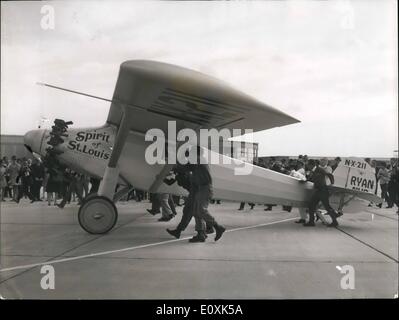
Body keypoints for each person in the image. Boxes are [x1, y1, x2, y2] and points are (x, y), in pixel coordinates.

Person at [166, 165, 214, 239]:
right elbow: (170, 182)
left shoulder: (185, 173)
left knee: (195, 212)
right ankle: (179, 231)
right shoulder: (179, 174)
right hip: (192, 193)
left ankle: (203, 232)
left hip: (196, 193)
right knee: (188, 212)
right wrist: (161, 177)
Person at [189, 146, 225, 243]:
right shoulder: (199, 161)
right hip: (201, 188)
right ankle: (201, 234)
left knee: (201, 210)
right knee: (196, 211)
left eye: (191, 152)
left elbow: (189, 165)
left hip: (205, 188)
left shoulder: (199, 160)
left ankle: (218, 227)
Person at [305, 159, 339, 227]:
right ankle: (311, 222)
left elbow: (330, 175)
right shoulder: (313, 171)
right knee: (311, 205)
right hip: (318, 191)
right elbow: (311, 178)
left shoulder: (319, 169)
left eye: (307, 165)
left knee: (327, 207)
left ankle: (335, 222)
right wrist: (306, 180)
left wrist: (332, 184)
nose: (307, 166)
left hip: (323, 191)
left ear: (311, 165)